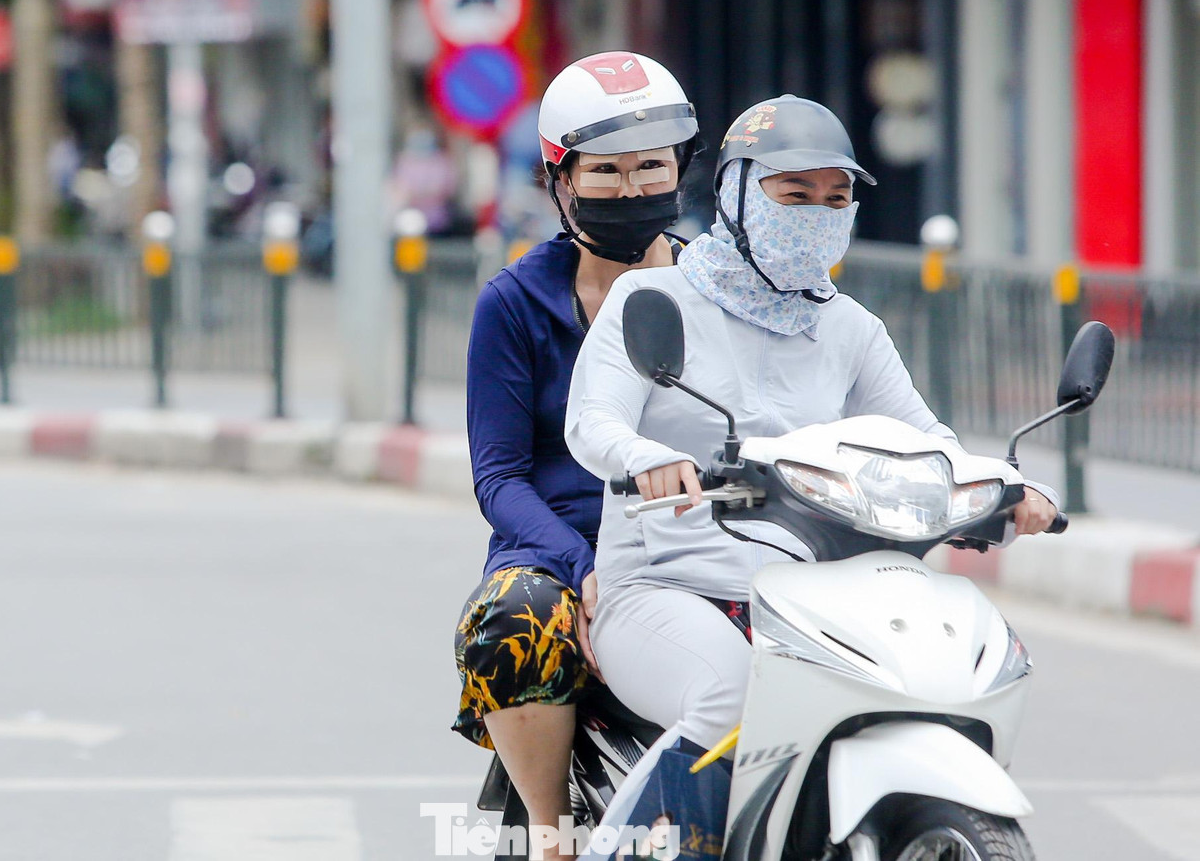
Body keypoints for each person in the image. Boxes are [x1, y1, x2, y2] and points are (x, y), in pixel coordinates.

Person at [563, 96, 1058, 780]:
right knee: (732, 698)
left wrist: (1006, 486)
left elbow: (926, 438)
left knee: (917, 688)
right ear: (736, 194)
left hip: (814, 598)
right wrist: (645, 456)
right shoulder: (652, 300)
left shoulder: (851, 327)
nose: (817, 215)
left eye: (836, 198)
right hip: (668, 586)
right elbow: (594, 421)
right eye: (795, 194)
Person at [452, 51, 699, 858]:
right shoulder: (513, 304)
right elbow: (500, 477)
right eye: (606, 170)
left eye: (651, 166)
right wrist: (582, 566)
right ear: (560, 178)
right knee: (513, 619)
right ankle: (552, 832)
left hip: (699, 539)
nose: (631, 189)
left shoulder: (718, 290)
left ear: (682, 167)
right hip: (562, 552)